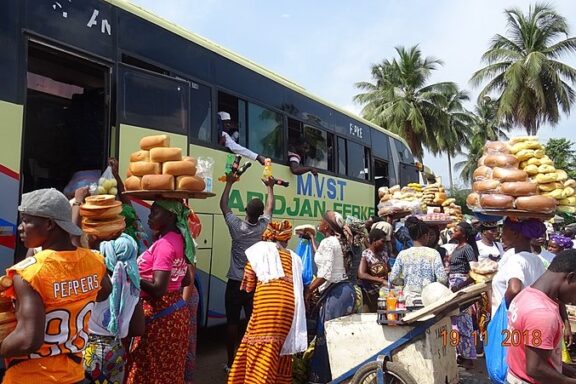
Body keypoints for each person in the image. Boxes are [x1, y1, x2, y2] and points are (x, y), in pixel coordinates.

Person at [0, 188, 111, 383]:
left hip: (31, 377)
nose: (20, 227)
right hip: (74, 374)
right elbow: (104, 293)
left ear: (50, 224)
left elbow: (28, 340)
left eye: (26, 220)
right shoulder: (95, 261)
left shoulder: (30, 273)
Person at [227, 220, 307, 384]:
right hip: (289, 312)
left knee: (261, 350)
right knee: (281, 350)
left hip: (267, 310)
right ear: (286, 239)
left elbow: (248, 286)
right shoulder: (295, 258)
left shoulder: (258, 253)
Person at [126, 200, 195, 384]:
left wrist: (131, 275)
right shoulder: (179, 239)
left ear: (170, 216)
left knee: (149, 372)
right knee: (167, 373)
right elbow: (186, 279)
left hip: (160, 320)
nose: (149, 216)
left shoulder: (164, 244)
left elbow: (158, 289)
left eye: (154, 212)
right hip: (174, 314)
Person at [220, 174, 275, 372]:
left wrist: (229, 183)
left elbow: (224, 205)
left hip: (235, 282)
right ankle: (251, 361)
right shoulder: (263, 227)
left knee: (232, 323)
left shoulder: (237, 227)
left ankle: (230, 362)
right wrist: (270, 187)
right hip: (254, 283)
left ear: (245, 211)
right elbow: (270, 207)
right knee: (252, 322)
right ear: (260, 214)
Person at [506, 250, 576, 383]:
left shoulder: (526, 294)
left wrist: (566, 369)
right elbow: (535, 368)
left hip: (515, 375)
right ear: (571, 277)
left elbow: (530, 353)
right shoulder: (542, 313)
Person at [83, 233, 145, 383]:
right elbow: (138, 329)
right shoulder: (133, 288)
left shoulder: (97, 284)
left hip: (90, 350)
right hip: (116, 350)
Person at [306, 210, 356, 383]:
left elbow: (325, 274)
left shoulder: (329, 242)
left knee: (325, 338)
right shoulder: (338, 240)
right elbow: (323, 258)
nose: (319, 222)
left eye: (321, 220)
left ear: (326, 226)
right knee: (339, 338)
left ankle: (322, 378)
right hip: (345, 291)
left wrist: (308, 290)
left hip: (335, 295)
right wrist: (312, 240)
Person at [491, 218, 547, 316]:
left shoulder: (516, 259)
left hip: (508, 324)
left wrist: (503, 313)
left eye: (504, 230)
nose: (501, 235)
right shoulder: (537, 260)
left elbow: (514, 290)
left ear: (515, 234)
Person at [388, 217, 448, 296]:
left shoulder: (403, 254)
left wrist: (405, 281)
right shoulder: (434, 253)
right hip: (428, 298)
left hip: (408, 297)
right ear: (425, 236)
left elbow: (393, 278)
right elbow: (442, 278)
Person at [448, 221, 479, 369]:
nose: (453, 231)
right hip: (454, 285)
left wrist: (460, 285)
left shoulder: (467, 248)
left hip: (461, 286)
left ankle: (469, 356)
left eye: (457, 230)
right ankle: (460, 353)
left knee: (464, 322)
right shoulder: (456, 248)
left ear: (464, 234)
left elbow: (475, 272)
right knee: (455, 322)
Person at [357, 228, 390, 312]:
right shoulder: (366, 254)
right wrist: (381, 281)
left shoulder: (384, 254)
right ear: (374, 241)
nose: (385, 244)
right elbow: (361, 274)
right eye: (382, 241)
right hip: (370, 294)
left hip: (383, 293)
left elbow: (389, 270)